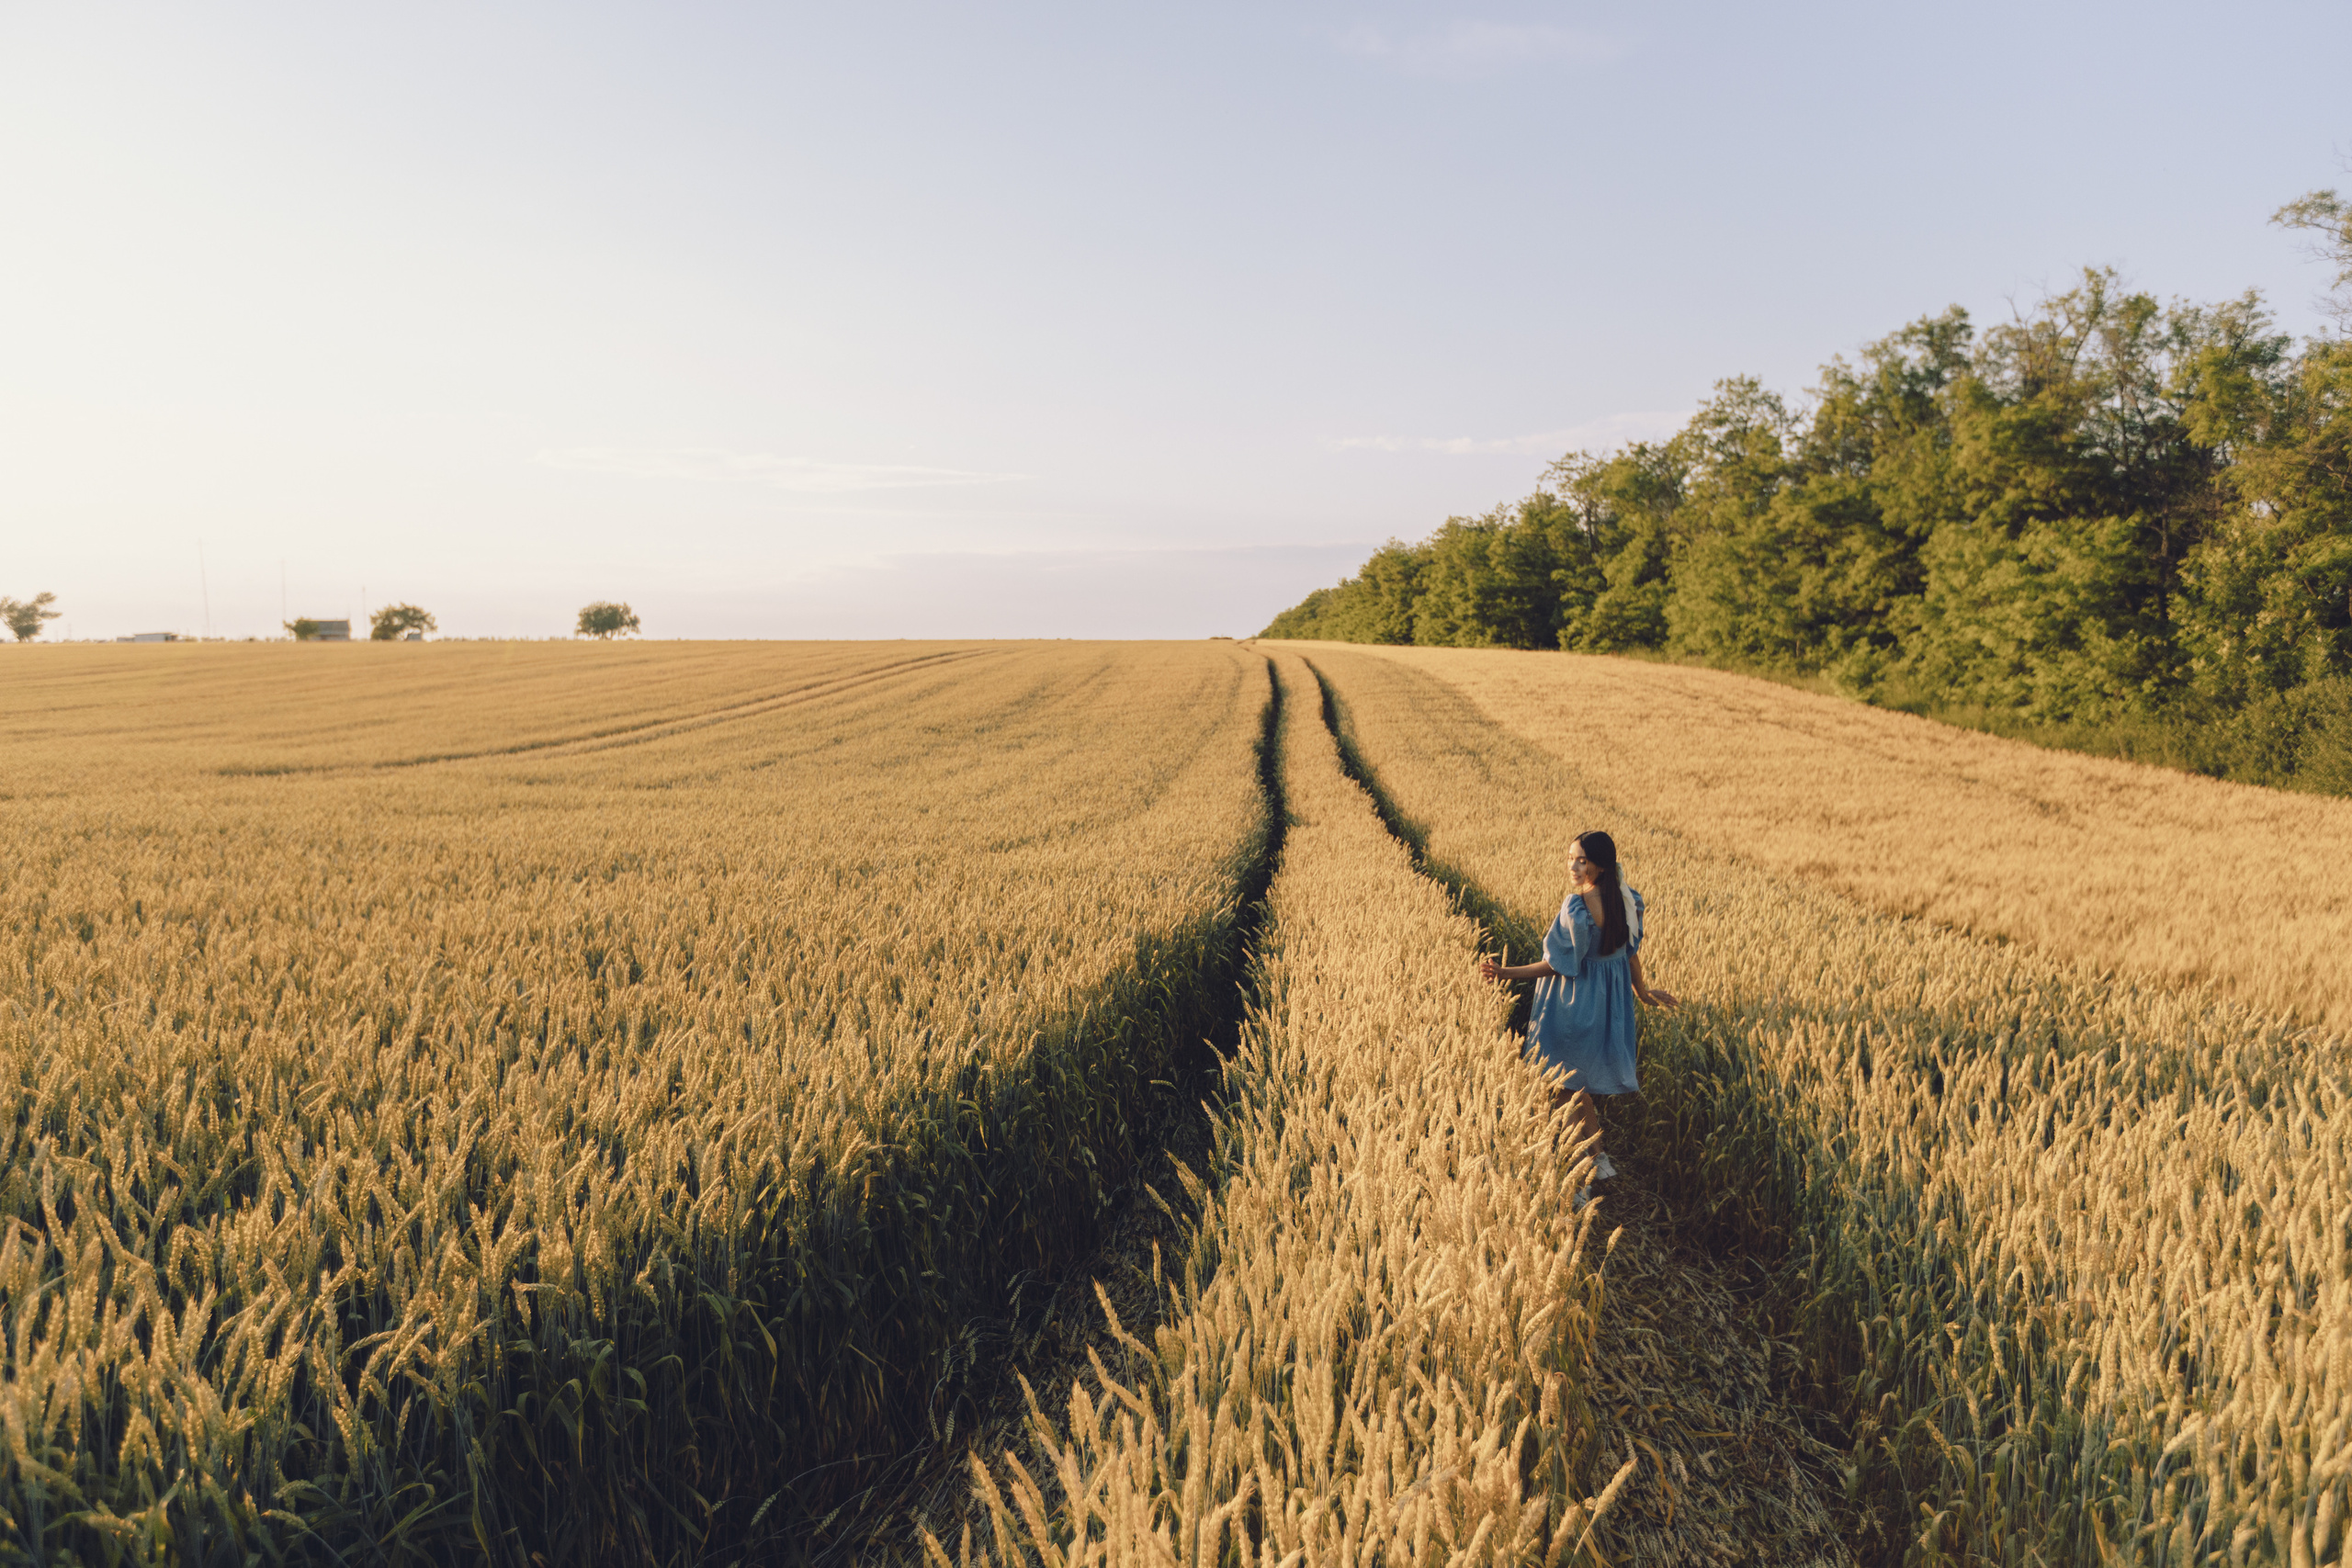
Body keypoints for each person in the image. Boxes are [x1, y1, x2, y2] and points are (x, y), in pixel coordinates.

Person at [1476, 829, 1677, 1195]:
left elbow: (1556, 965)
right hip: (1608, 1008)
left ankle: (1579, 1183)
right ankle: (1598, 1158)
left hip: (1571, 1006)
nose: (1573, 865)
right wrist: (1643, 993)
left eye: (1581, 860)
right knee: (1575, 1087)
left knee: (1560, 1091)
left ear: (1599, 865)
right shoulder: (1628, 900)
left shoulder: (1576, 907)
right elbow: (1630, 954)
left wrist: (1505, 973)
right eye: (1570, 858)